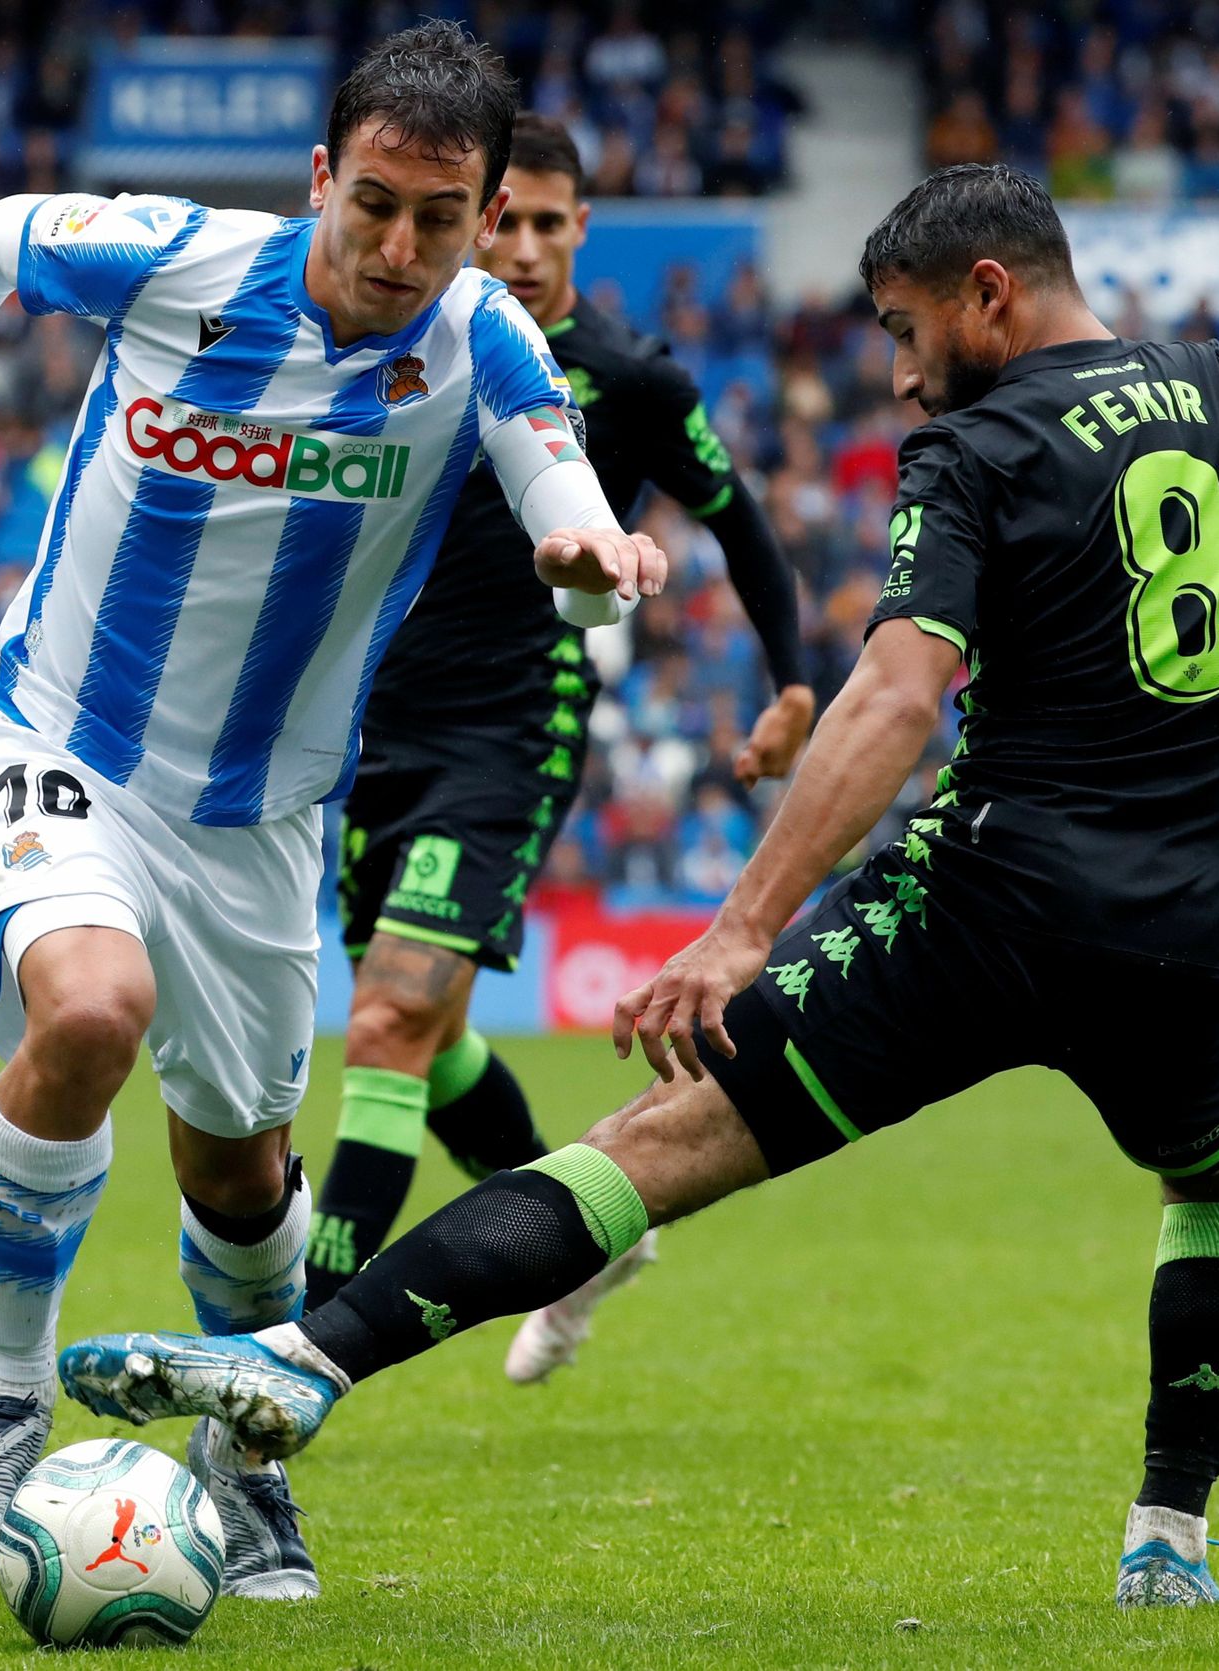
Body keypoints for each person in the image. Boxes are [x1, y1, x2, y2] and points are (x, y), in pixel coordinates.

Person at [59, 164, 1219, 1610]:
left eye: (907, 334)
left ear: (990, 294)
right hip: (1199, 936)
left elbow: (898, 697)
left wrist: (741, 927)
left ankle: (305, 1356)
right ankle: (1168, 1540)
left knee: (652, 1144)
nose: (902, 380)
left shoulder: (978, 450)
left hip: (986, 909)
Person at [0, 20, 666, 1601]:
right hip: (67, 737)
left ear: (482, 217)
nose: (402, 248)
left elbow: (566, 507)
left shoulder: (484, 344)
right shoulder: (182, 262)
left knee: (241, 1180)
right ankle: (3, 1396)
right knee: (90, 1009)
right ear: (322, 177)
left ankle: (244, 1466)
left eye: (441, 218)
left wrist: (593, 568)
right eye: (375, 202)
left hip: (259, 823)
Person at [309, 111, 813, 1383]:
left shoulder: (630, 380)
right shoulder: (409, 341)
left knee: (385, 1022)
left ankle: (294, 1343)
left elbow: (740, 525)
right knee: (428, 1036)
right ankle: (584, 1228)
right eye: (506, 221)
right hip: (372, 727)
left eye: (549, 222)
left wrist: (793, 684)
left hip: (512, 724)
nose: (524, 246)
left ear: (580, 229)